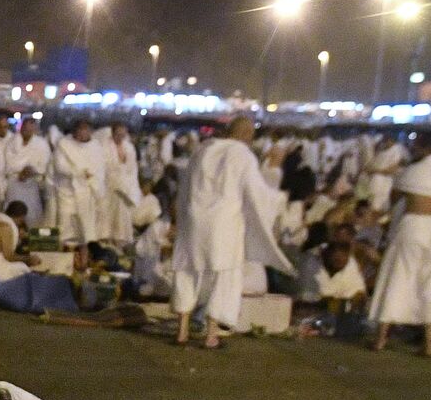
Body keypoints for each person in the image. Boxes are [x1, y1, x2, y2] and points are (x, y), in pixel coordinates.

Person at [171, 117, 292, 348]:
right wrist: (277, 191)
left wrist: (183, 218)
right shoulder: (242, 155)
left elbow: (185, 187)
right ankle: (211, 335)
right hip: (225, 223)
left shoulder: (203, 150)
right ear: (248, 135)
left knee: (187, 270)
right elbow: (256, 192)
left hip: (195, 219)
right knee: (223, 276)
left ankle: (182, 330)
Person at [368, 131, 431, 356]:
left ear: (424, 147)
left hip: (415, 225)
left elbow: (394, 199)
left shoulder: (413, 171)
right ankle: (429, 343)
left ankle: (381, 338)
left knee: (398, 277)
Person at [52, 121, 106, 250]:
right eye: (80, 131)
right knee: (65, 221)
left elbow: (100, 168)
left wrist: (91, 177)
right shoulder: (64, 144)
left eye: (85, 131)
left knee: (86, 226)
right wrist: (78, 172)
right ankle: (64, 249)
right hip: (67, 191)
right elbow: (60, 166)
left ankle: (86, 252)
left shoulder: (96, 146)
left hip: (88, 192)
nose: (82, 135)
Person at [3, 117, 51, 227]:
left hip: (31, 183)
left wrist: (31, 171)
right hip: (14, 182)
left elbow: (43, 165)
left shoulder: (41, 144)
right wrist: (20, 172)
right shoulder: (12, 142)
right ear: (21, 128)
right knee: (13, 209)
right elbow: (8, 162)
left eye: (30, 130)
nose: (27, 132)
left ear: (34, 130)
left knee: (32, 212)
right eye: (25, 129)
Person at [99, 123, 142, 246]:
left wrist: (130, 182)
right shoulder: (104, 146)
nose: (121, 137)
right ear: (113, 133)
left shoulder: (129, 147)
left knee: (123, 211)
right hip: (109, 184)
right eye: (118, 134)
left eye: (123, 134)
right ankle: (106, 236)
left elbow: (133, 167)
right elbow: (103, 165)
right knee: (108, 211)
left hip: (125, 184)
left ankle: (121, 237)